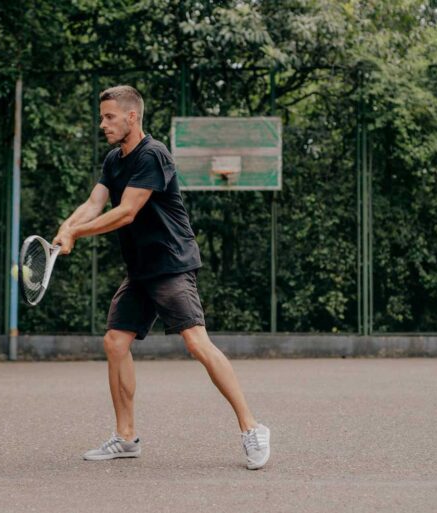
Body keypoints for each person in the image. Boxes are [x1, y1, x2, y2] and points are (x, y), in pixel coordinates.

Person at [53, 85, 270, 470]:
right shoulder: (112, 160)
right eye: (102, 117)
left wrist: (77, 234)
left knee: (196, 342)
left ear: (131, 117)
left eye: (109, 117)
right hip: (140, 270)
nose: (102, 124)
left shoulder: (153, 155)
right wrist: (67, 226)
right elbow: (94, 203)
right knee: (115, 342)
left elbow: (125, 213)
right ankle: (125, 437)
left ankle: (252, 427)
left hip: (170, 264)